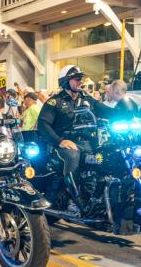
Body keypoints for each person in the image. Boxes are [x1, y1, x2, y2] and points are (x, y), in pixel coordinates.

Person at [37, 65, 116, 215]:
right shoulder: (55, 101)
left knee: (106, 157)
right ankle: (77, 200)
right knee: (73, 156)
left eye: (81, 78)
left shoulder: (87, 99)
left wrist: (127, 112)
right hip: (64, 144)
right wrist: (59, 141)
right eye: (76, 79)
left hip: (87, 143)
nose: (81, 81)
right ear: (66, 81)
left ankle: (98, 196)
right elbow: (43, 124)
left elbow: (106, 111)